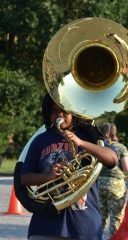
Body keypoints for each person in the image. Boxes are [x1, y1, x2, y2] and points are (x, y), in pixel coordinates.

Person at [20, 93, 118, 240]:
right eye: (54, 111)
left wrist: (81, 143)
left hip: (84, 223)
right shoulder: (40, 140)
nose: (60, 114)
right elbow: (25, 178)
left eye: (65, 110)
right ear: (48, 114)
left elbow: (112, 159)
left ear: (74, 112)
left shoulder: (89, 136)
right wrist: (48, 176)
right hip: (46, 225)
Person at [98, 123, 128, 238]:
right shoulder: (120, 147)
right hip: (116, 186)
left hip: (99, 184)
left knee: (100, 217)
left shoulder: (98, 146)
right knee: (116, 217)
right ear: (115, 133)